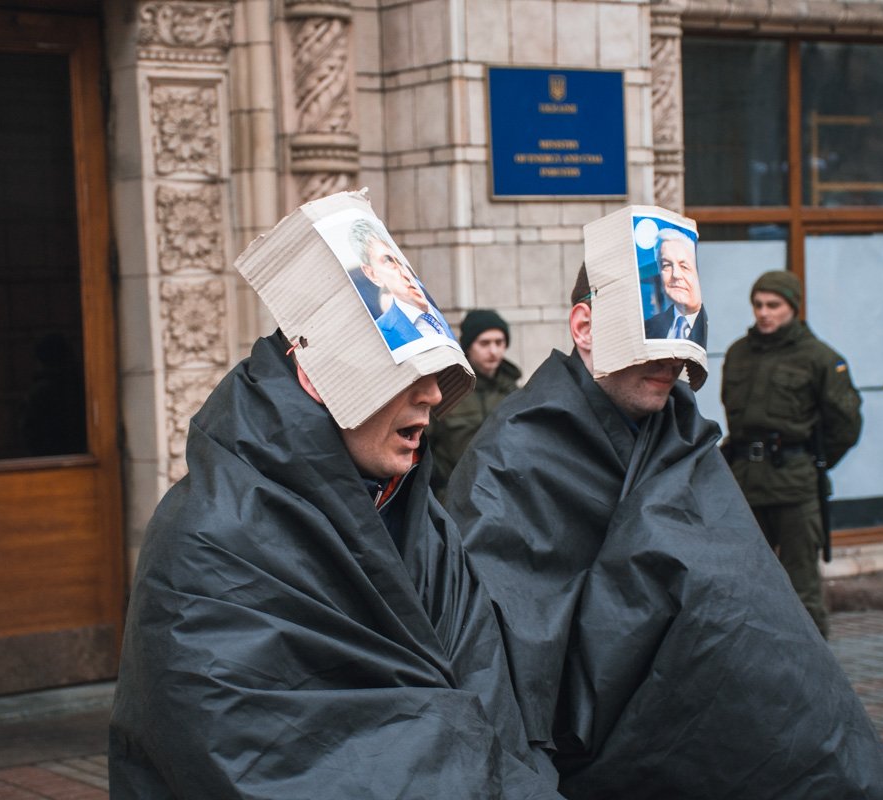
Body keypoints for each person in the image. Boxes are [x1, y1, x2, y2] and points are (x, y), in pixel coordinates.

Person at [109, 198, 561, 799]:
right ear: (316, 375)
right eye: (408, 373)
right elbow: (247, 751)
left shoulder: (419, 517)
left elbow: (487, 691)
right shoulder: (205, 536)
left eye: (435, 373)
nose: (433, 395)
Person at [445, 262, 883, 799]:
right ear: (586, 328)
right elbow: (501, 659)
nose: (673, 360)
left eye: (683, 332)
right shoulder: (511, 456)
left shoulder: (682, 438)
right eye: (651, 335)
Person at [721, 270, 863, 638]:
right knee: (744, 582)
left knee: (802, 589)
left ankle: (812, 667)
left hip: (795, 487)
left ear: (793, 308)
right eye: (758, 304)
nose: (764, 312)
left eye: (774, 305)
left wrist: (808, 462)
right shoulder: (738, 353)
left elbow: (846, 425)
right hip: (745, 484)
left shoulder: (820, 358)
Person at [427, 309, 520, 500]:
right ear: (469, 347)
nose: (493, 351)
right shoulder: (448, 392)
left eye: (499, 342)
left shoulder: (513, 392)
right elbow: (423, 447)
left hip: (504, 497)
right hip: (453, 498)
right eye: (484, 343)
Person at [349, 218, 455, 348]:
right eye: (388, 261)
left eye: (400, 261)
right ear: (372, 274)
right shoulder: (381, 334)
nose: (406, 274)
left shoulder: (437, 315)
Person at [643, 227, 708, 347]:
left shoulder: (713, 322)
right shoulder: (648, 329)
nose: (676, 275)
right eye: (666, 265)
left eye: (684, 266)